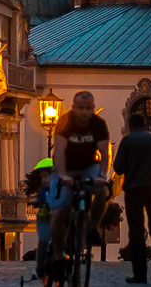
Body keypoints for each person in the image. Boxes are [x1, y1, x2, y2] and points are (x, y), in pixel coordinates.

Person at [112, 111, 151, 284]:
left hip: (134, 192)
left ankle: (140, 274)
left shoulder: (127, 141)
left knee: (137, 232)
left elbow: (118, 168)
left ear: (130, 125)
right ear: (145, 124)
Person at [49, 91, 111, 264]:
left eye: (88, 108)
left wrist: (102, 175)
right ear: (73, 108)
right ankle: (58, 254)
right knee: (60, 210)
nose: (85, 112)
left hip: (88, 167)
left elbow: (104, 153)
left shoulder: (98, 124)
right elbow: (59, 150)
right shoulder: (65, 122)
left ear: (93, 108)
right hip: (65, 167)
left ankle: (92, 229)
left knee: (101, 192)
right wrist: (62, 175)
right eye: (81, 108)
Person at [30, 158, 55, 281]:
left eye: (47, 176)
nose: (45, 179)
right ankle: (40, 268)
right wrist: (36, 202)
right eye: (43, 177)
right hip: (45, 219)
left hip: (58, 220)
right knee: (43, 241)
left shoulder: (61, 189)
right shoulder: (43, 191)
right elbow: (37, 201)